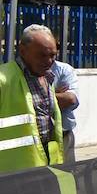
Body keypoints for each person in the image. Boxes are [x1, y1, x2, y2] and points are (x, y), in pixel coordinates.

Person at [0, 25, 65, 171]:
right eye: (42, 55)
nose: (49, 61)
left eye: (53, 55)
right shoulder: (3, 79)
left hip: (45, 168)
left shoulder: (47, 78)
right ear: (23, 51)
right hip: (10, 174)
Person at [50, 57, 78, 163]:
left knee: (66, 175)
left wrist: (39, 96)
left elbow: (70, 100)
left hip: (63, 135)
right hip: (35, 138)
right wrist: (55, 94)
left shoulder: (64, 70)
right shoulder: (23, 71)